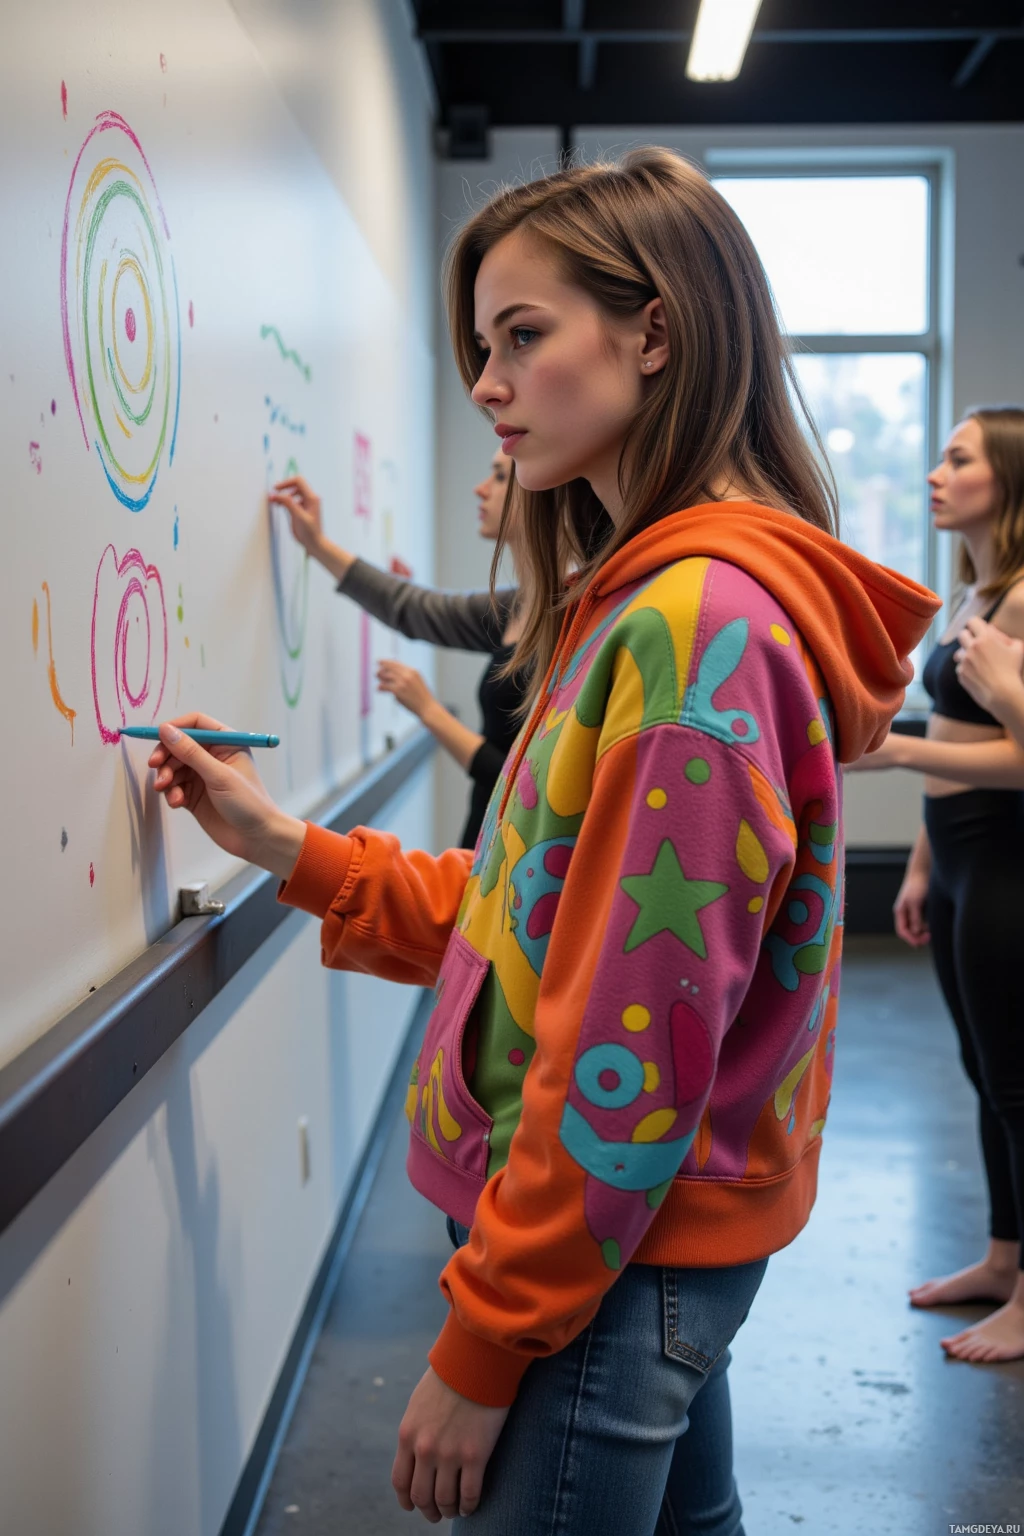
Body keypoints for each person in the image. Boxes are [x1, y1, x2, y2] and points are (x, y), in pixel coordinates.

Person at [145, 149, 937, 1532]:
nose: (488, 385)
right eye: (478, 346)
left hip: (600, 1265)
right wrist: (288, 846)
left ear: (654, 333)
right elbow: (545, 907)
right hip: (625, 1249)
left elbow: (635, 1040)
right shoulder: (647, 601)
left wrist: (486, 1337)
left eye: (522, 337)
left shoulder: (691, 627)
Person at [848, 406, 1024, 1364]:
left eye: (959, 459)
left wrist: (895, 755)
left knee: (1018, 1084)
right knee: (985, 1076)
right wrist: (921, 862)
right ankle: (1004, 1256)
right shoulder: (976, 595)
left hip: (1005, 858)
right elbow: (961, 742)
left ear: (1010, 478)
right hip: (956, 856)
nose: (935, 472)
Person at [269, 459, 524, 849]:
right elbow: (414, 608)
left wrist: (430, 711)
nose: (481, 488)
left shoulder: (573, 620)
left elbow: (526, 784)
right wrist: (318, 546)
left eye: (501, 476)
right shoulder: (519, 606)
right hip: (485, 843)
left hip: (517, 856)